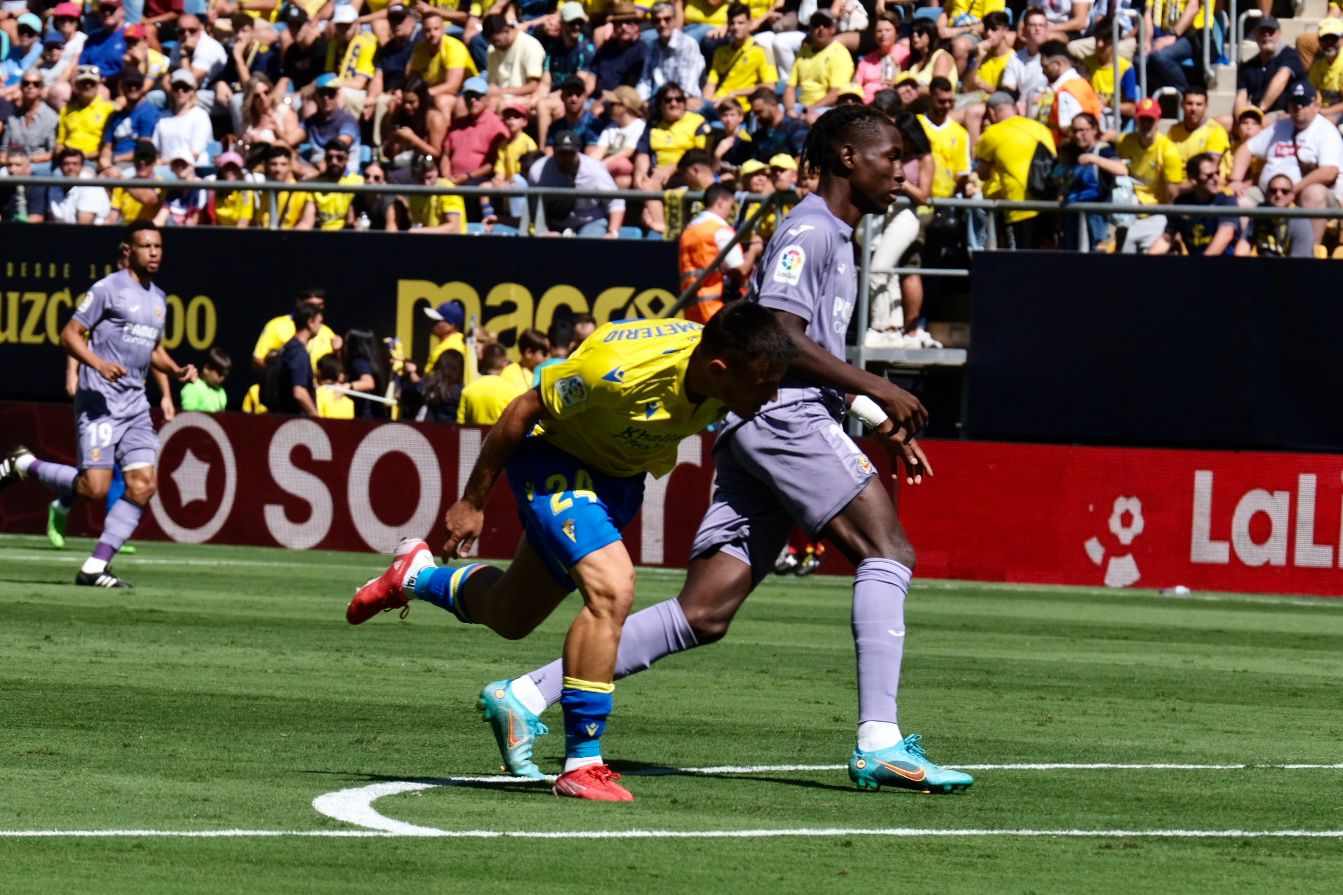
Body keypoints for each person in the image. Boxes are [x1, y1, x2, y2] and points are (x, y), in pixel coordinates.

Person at [470, 105, 972, 797]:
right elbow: (774, 334)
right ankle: (879, 739)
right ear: (847, 159)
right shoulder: (808, 229)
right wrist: (871, 386)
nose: (901, 170)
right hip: (782, 417)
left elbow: (792, 343)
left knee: (703, 612)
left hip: (766, 424)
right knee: (886, 550)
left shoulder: (833, 233)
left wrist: (860, 405)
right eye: (889, 156)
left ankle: (526, 694)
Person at [345, 302, 796, 802]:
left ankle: (415, 576)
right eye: (765, 385)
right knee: (613, 588)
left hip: (617, 481)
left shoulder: (732, 369)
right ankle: (583, 761)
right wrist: (473, 501)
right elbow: (523, 409)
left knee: (510, 614)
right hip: (554, 457)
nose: (773, 395)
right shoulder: (617, 371)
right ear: (719, 370)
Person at [1, 222, 197, 589]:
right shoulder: (107, 289)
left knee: (143, 485)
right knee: (94, 489)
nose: (153, 252)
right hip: (101, 401)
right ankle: (23, 463)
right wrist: (98, 363)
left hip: (136, 404)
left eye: (158, 246)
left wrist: (177, 368)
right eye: (145, 246)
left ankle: (95, 567)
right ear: (129, 250)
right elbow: (68, 334)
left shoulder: (159, 299)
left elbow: (153, 349)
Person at [1228, 80, 1342, 251]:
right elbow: (1246, 148)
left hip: (1306, 196)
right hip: (1270, 193)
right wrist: (1235, 180)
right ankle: (1246, 253)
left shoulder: (1325, 131)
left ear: (1316, 105)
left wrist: (1293, 191)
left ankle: (1310, 252)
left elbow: (1329, 172)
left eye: (1304, 103)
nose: (1298, 108)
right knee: (1238, 199)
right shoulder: (1280, 127)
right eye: (1294, 103)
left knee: (1314, 193)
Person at [973, 92, 1056, 249]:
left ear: (991, 112)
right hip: (1048, 204)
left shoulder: (992, 133)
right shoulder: (1040, 128)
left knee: (1021, 263)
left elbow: (982, 174)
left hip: (1018, 207)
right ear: (1015, 107)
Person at [678, 182, 763, 323]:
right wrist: (754, 250)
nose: (731, 212)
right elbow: (740, 270)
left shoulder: (689, 230)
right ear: (721, 203)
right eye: (731, 206)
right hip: (719, 312)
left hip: (693, 312)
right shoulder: (720, 230)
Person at [1115, 97, 1184, 253]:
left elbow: (1173, 193)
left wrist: (1173, 228)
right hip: (1129, 213)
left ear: (1158, 121)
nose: (1146, 125)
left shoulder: (1168, 149)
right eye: (1142, 120)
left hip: (1157, 214)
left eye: (1150, 120)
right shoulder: (1125, 142)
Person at [528, 130, 624, 236]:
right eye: (562, 153)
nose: (566, 158)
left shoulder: (595, 170)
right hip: (555, 222)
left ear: (578, 152)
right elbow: (535, 206)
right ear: (554, 151)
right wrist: (543, 231)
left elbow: (616, 202)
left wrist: (612, 232)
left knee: (587, 247)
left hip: (591, 221)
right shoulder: (538, 171)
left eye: (571, 154)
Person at [1148, 152, 1240, 255]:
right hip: (1196, 264)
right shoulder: (1181, 203)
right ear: (1193, 179)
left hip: (1224, 265)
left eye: (1217, 173)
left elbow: (1226, 234)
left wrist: (1200, 265)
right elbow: (1166, 240)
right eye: (1209, 175)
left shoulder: (1226, 199)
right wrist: (1148, 260)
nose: (1216, 179)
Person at [703, 4, 777, 112]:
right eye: (732, 23)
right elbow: (711, 83)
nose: (736, 27)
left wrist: (735, 93)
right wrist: (705, 103)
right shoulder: (720, 51)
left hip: (739, 107)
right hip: (717, 104)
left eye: (741, 23)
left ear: (750, 23)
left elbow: (769, 86)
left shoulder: (765, 51)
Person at [784, 10, 853, 123]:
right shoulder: (803, 52)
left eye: (825, 25)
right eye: (816, 25)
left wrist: (809, 110)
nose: (821, 28)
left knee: (811, 119)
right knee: (774, 113)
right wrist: (789, 110)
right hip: (801, 106)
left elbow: (835, 94)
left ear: (833, 29)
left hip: (826, 108)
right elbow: (790, 87)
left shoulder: (840, 53)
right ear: (810, 29)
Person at [252, 288, 338, 375]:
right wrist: (278, 380)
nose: (315, 310)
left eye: (320, 305)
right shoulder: (277, 325)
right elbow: (258, 359)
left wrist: (337, 352)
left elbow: (334, 369)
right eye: (311, 305)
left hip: (313, 387)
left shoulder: (327, 332)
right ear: (299, 302)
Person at [1235, 16, 1305, 117]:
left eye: (1271, 31)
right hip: (1254, 115)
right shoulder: (1247, 67)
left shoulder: (1290, 55)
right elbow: (1241, 97)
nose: (1266, 35)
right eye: (1262, 31)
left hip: (1284, 115)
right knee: (1223, 121)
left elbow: (1281, 79)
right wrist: (1241, 119)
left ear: (1279, 33)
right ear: (1255, 34)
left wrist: (1260, 110)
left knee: (1262, 123)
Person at [264, 302, 323, 416]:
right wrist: (317, 419)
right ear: (310, 322)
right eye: (319, 322)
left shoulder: (288, 347)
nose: (321, 326)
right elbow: (299, 392)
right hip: (294, 423)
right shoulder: (298, 353)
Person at [639, 2, 704, 103]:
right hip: (660, 101)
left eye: (667, 19)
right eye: (657, 20)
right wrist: (641, 101)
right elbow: (645, 81)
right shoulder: (652, 47)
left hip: (684, 101)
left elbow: (688, 85)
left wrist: (671, 101)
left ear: (675, 20)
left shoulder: (688, 44)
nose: (662, 24)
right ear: (652, 24)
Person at [1238, 172, 1315, 257]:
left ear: (1292, 196)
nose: (1278, 195)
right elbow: (1245, 243)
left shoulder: (1300, 220)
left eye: (1284, 191)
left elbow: (1300, 263)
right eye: (1273, 191)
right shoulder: (1259, 212)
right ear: (1267, 194)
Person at [1145, 0, 1208, 97]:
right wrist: (1147, 41)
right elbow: (1148, 12)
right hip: (1162, 33)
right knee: (1140, 60)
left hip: (1191, 34)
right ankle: (1164, 96)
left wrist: (1173, 35)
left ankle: (1186, 95)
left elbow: (1193, 8)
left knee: (1161, 57)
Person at [454, 342, 524, 424]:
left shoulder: (468, 390)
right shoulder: (513, 391)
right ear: (503, 364)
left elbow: (460, 424)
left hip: (477, 436)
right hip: (500, 436)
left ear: (482, 360)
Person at [1166, 87, 1229, 177]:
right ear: (1182, 105)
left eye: (1199, 104)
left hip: (1202, 185)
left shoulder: (1215, 131)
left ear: (1206, 106)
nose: (1194, 108)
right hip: (1176, 181)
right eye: (1189, 103)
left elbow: (1209, 169)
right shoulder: (1174, 130)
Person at [58, 66, 117, 160]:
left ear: (98, 85)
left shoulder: (109, 109)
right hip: (67, 159)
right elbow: (61, 141)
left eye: (92, 83)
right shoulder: (66, 110)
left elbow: (109, 144)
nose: (87, 86)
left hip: (92, 159)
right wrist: (59, 150)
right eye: (83, 83)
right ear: (77, 85)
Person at [49, 147, 112, 224]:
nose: (70, 168)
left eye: (75, 164)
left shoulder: (91, 188)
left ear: (82, 166)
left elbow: (83, 227)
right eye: (66, 164)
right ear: (60, 166)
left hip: (90, 234)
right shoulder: (54, 188)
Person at [342, 328, 392, 419]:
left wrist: (348, 386)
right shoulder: (374, 362)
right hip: (376, 415)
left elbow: (369, 383)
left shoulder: (359, 362)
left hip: (364, 416)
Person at [180, 347, 231, 412]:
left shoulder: (221, 391)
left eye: (225, 374)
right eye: (219, 373)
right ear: (206, 369)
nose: (222, 377)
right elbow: (188, 418)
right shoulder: (192, 388)